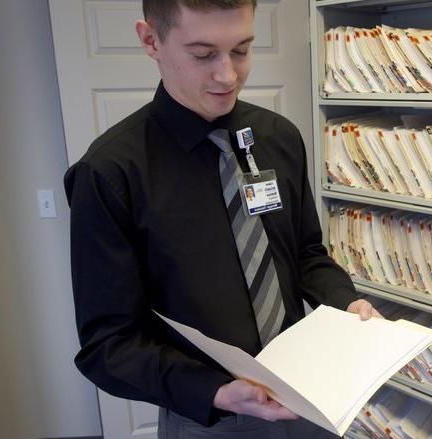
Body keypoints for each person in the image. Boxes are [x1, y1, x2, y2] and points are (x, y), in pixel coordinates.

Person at [63, 0, 380, 437]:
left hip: (310, 398)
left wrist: (346, 304)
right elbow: (107, 346)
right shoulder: (110, 173)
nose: (228, 75)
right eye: (203, 54)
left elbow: (304, 254)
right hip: (211, 417)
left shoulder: (278, 138)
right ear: (150, 40)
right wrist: (215, 391)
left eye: (242, 50)